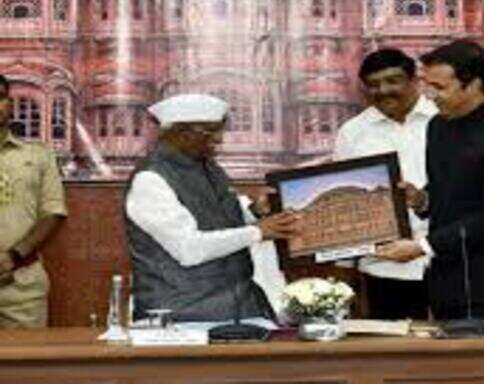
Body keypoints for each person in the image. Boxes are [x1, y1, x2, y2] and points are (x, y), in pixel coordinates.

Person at [376, 40, 484, 320]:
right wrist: (421, 199)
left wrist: (422, 247)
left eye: (439, 87)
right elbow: (449, 189)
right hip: (447, 280)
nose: (429, 95)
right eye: (427, 85)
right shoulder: (438, 126)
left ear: (474, 84)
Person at [125, 93, 299, 322]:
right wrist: (258, 232)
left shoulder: (208, 168)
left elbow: (219, 222)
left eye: (220, 130)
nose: (219, 139)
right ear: (180, 133)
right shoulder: (150, 179)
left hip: (239, 308)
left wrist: (254, 212)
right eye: (210, 131)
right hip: (182, 317)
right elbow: (189, 249)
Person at [333, 48, 438, 320]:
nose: (383, 90)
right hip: (385, 265)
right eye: (373, 84)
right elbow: (346, 202)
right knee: (393, 344)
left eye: (393, 81)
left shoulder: (443, 120)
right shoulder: (353, 133)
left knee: (459, 341)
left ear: (414, 81)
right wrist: (345, 269)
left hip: (448, 258)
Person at [0, 74, 67, 328]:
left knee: (27, 354)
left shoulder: (39, 155)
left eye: (0, 97)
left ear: (9, 104)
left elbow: (53, 212)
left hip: (21, 287)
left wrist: (14, 256)